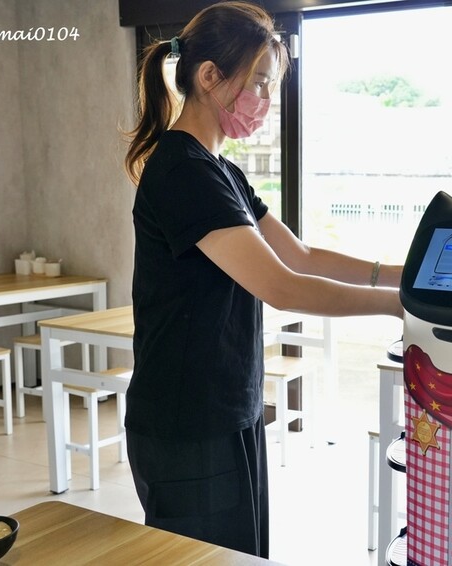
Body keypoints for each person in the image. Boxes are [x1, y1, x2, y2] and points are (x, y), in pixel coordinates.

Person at [122, 1, 402, 557]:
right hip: (187, 422)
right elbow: (281, 285)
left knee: (243, 553)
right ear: (209, 77)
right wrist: (398, 304)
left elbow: (298, 255)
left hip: (228, 407)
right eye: (260, 84)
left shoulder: (221, 170)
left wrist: (399, 274)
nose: (267, 103)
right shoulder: (180, 169)